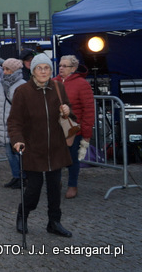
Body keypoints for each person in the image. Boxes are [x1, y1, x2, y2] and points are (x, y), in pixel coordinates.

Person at [9, 54, 74, 238]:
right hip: (33, 148)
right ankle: (23, 214)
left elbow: (68, 112)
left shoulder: (58, 87)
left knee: (55, 188)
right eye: (40, 68)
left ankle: (54, 222)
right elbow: (14, 121)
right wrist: (17, 140)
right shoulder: (22, 92)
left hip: (55, 147)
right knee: (34, 188)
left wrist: (68, 111)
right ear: (33, 71)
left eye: (47, 68)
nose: (44, 71)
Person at [53, 55, 95, 199]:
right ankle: (55, 183)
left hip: (73, 128)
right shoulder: (53, 82)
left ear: (74, 68)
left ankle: (72, 185)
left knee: (71, 159)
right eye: (60, 65)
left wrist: (86, 131)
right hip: (55, 128)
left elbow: (88, 109)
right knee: (54, 158)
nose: (61, 68)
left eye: (65, 66)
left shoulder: (82, 84)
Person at [0, 58, 27, 189]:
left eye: (7, 69)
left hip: (15, 125)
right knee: (8, 153)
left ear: (14, 71)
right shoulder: (4, 84)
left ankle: (24, 177)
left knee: (17, 153)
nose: (4, 71)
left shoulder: (22, 85)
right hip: (4, 123)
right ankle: (16, 176)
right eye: (4, 68)